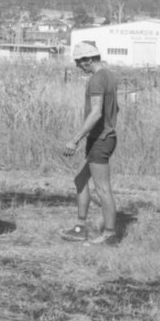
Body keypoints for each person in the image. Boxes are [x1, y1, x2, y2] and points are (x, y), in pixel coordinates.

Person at [60, 41, 119, 245]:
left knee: (102, 189)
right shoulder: (110, 75)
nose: (78, 66)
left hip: (100, 139)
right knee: (80, 180)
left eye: (79, 62)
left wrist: (75, 139)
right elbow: (114, 108)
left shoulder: (96, 80)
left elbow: (96, 112)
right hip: (104, 137)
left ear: (89, 60)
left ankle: (110, 235)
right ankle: (80, 228)